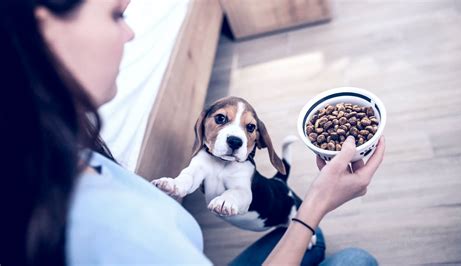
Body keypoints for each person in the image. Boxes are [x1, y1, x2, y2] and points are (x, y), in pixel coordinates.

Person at [1, 0, 385, 265]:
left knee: (313, 247)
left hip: (261, 213)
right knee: (356, 259)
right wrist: (317, 204)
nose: (131, 33)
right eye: (117, 15)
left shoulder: (64, 147)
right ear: (43, 27)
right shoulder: (114, 228)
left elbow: (195, 179)